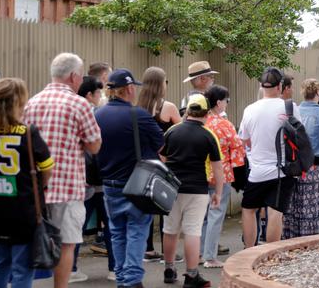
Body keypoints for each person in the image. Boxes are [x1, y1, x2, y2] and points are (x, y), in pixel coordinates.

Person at [23, 53, 102, 288]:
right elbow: (95, 145)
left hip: (35, 189)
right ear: (74, 76)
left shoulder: (32, 102)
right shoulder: (79, 104)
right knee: (67, 243)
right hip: (67, 186)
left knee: (31, 241)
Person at [95, 68, 164, 288]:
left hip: (109, 184)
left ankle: (122, 277)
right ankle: (133, 279)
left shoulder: (98, 115)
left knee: (116, 232)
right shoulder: (139, 115)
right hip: (137, 183)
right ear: (130, 89)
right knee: (137, 231)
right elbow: (161, 144)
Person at [160, 94, 224, 287]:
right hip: (197, 189)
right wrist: (218, 193)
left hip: (171, 188)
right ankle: (191, 274)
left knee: (169, 229)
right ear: (206, 113)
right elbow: (217, 168)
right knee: (192, 231)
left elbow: (161, 156)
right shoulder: (208, 134)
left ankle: (169, 269)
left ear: (187, 111)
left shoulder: (172, 131)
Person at [0, 78, 54, 288]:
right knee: (22, 269)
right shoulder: (28, 133)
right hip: (24, 211)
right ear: (19, 103)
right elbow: (47, 169)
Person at [238, 67, 300, 248]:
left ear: (261, 85)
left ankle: (249, 251)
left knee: (249, 210)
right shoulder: (290, 108)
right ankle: (271, 253)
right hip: (282, 170)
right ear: (280, 85)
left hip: (256, 171)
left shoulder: (249, 109)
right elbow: (300, 136)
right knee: (275, 212)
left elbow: (245, 140)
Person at [71, 76, 115, 283]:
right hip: (102, 180)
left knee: (77, 226)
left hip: (84, 180)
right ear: (90, 94)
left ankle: (71, 269)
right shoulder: (94, 114)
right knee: (110, 225)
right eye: (99, 93)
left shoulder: (73, 112)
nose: (101, 97)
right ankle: (114, 268)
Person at [137, 66, 181, 262]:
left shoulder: (137, 107)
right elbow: (180, 132)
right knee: (165, 208)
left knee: (145, 207)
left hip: (144, 163)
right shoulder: (168, 107)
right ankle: (167, 252)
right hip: (165, 162)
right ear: (160, 84)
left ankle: (147, 249)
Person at [283, 79, 319, 238]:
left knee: (299, 200)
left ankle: (296, 232)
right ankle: (318, 233)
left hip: (298, 165)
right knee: (318, 201)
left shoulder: (294, 112)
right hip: (318, 165)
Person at [201, 85, 245, 268]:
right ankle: (210, 257)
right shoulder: (225, 125)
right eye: (226, 101)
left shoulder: (201, 122)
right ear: (218, 103)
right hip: (222, 174)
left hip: (200, 174)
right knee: (216, 215)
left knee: (201, 217)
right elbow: (237, 151)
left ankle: (200, 251)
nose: (227, 104)